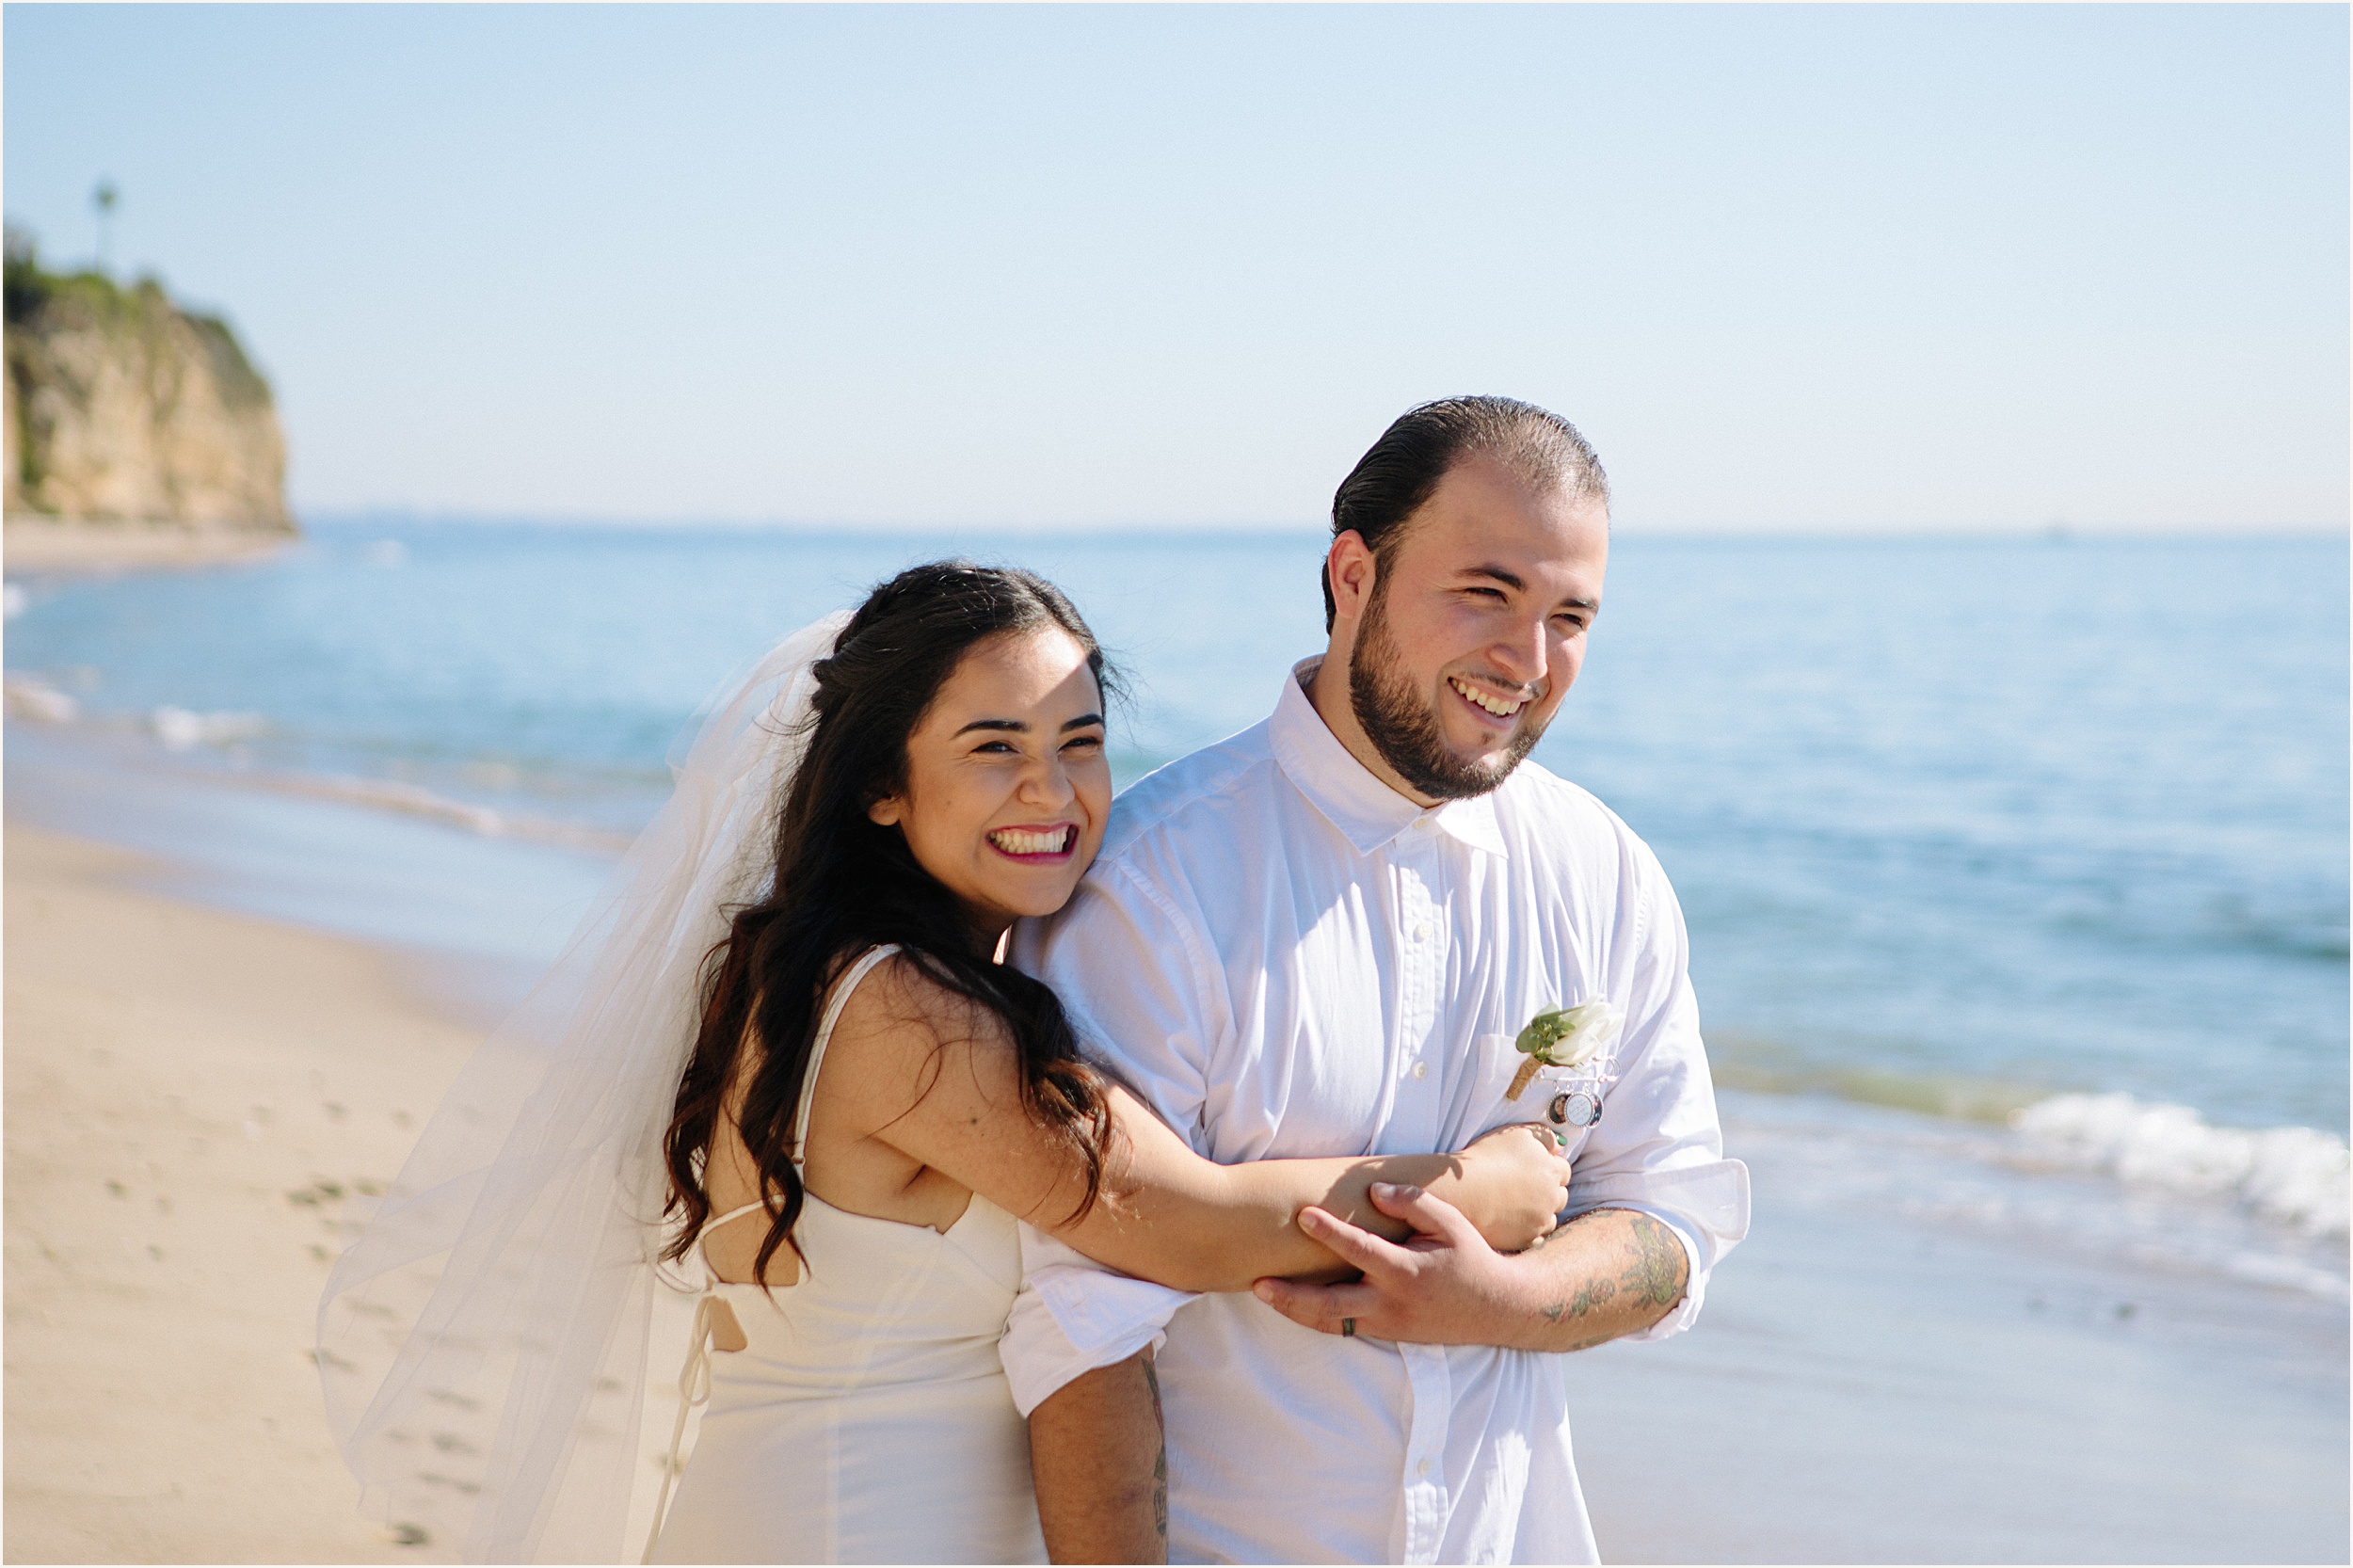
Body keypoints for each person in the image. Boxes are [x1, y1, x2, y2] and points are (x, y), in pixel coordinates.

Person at [317, 561, 1567, 1564]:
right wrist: (1483, 1188)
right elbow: (1179, 1221)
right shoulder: (900, 1013)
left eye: (1079, 740)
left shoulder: (839, 969)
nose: (1054, 789)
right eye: (992, 747)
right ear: (880, 787)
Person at [1005, 396, 1753, 1564]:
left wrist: (1497, 1302)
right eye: (1486, 593)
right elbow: (1080, 1320)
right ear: (1353, 573)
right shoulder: (1156, 881)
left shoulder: (1606, 874)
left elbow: (1670, 1223)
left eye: (1571, 615)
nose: (1529, 659)